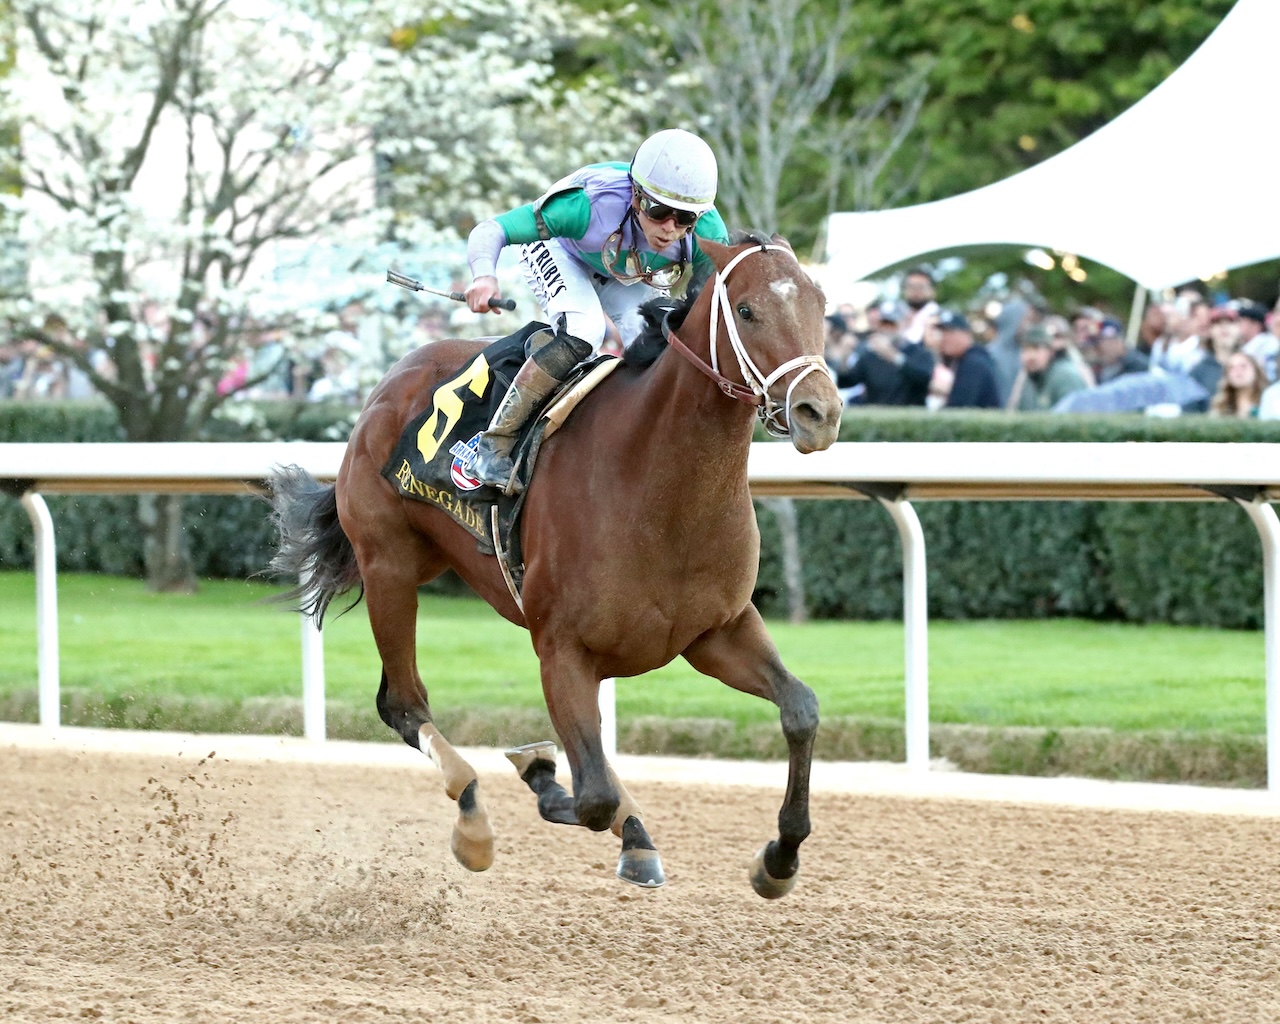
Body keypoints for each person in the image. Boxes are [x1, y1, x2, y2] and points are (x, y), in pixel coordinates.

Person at [462, 128, 730, 492]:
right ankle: (496, 443)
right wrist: (484, 277)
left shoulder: (709, 234)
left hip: (625, 270)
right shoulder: (586, 205)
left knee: (663, 347)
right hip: (563, 250)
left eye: (684, 219)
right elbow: (492, 229)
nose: (669, 229)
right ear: (636, 196)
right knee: (585, 331)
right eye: (659, 211)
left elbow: (715, 305)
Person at [834, 300, 934, 406]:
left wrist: (895, 357)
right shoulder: (870, 355)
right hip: (876, 417)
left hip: (911, 417)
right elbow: (845, 383)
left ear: (905, 323)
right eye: (883, 324)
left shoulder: (919, 352)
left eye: (892, 324)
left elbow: (924, 380)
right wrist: (844, 358)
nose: (887, 329)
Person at [1006, 325, 1089, 411]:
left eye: (1036, 348)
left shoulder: (1065, 376)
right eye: (1025, 349)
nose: (1030, 356)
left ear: (1051, 352)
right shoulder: (1029, 378)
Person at [934, 309, 1000, 409]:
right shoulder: (962, 360)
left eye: (950, 332)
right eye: (942, 333)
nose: (944, 338)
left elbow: (959, 408)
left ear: (966, 334)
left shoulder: (974, 364)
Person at [1209, 351, 1266, 418]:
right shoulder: (1221, 406)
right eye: (1231, 367)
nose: (1237, 371)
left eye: (1243, 366)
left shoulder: (1269, 401)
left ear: (1256, 370)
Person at [1094, 318, 1148, 384]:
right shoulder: (1097, 367)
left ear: (1120, 342)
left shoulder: (1139, 367)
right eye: (1099, 341)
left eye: (1109, 342)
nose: (1102, 346)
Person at [1237, 299, 1278, 384]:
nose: (1239, 325)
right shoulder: (1245, 345)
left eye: (1243, 321)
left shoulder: (1268, 343)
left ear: (1256, 325)